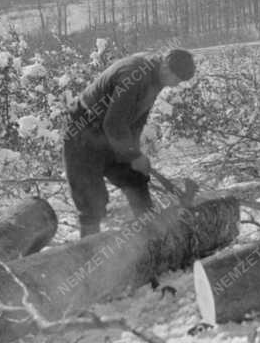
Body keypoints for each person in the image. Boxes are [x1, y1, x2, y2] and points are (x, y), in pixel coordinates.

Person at [63, 47, 195, 236]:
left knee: (135, 179)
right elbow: (114, 123)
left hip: (111, 132)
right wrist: (133, 155)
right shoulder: (136, 74)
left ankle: (150, 238)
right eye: (176, 79)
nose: (175, 85)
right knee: (92, 201)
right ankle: (88, 252)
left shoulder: (157, 78)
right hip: (84, 130)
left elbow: (136, 120)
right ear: (166, 66)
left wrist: (136, 154)